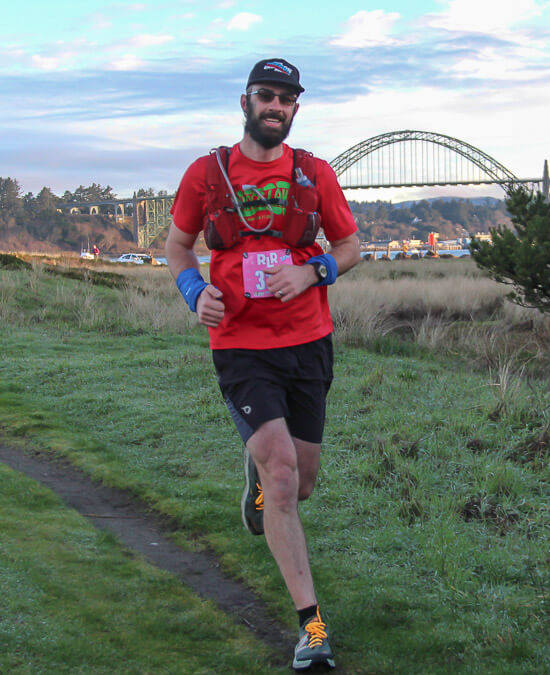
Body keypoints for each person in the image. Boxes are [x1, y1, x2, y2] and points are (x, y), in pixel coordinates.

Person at [167, 57, 360, 672]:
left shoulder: (316, 174)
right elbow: (176, 247)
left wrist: (312, 270)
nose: (274, 105)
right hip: (240, 345)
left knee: (301, 482)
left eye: (285, 98)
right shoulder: (206, 173)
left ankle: (255, 484)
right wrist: (194, 291)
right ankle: (313, 628)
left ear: (295, 109)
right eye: (265, 95)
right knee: (283, 477)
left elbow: (351, 246)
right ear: (244, 101)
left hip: (308, 342)